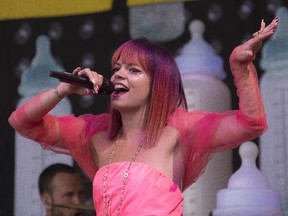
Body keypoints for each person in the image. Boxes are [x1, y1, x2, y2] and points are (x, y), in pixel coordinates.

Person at [9, 17, 278, 215]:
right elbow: (21, 122)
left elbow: (251, 123)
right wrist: (63, 89)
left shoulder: (180, 130)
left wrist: (240, 69)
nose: (118, 75)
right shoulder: (95, 133)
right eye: (117, 68)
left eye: (134, 70)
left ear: (158, 85)